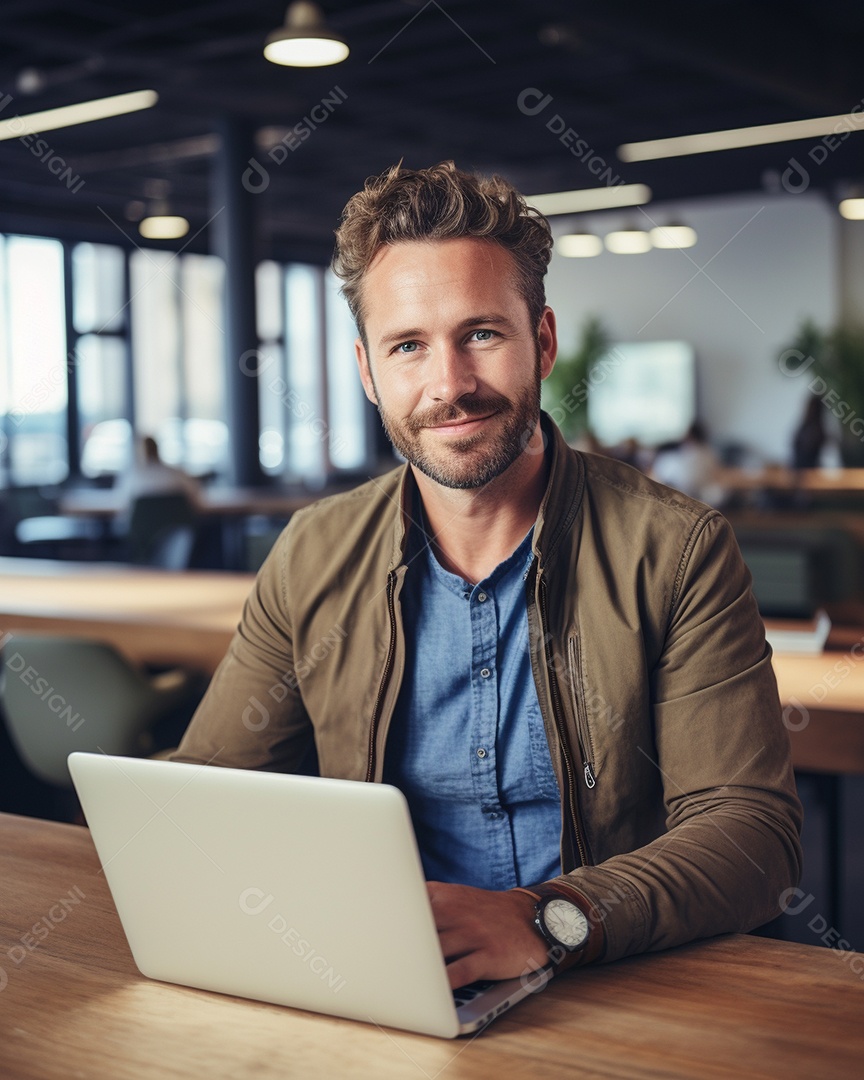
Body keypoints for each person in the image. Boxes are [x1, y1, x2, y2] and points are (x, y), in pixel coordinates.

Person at [172, 162, 802, 990]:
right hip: (386, 982)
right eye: (408, 347)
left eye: (481, 334)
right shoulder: (313, 553)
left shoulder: (676, 549)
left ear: (541, 340)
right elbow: (210, 798)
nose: (450, 386)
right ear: (369, 372)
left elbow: (752, 831)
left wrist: (549, 916)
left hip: (609, 980)